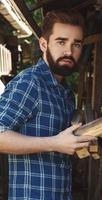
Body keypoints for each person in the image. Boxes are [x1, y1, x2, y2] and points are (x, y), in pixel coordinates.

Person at [0, 10, 94, 200]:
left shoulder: (65, 93)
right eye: (61, 42)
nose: (69, 51)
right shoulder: (30, 83)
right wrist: (54, 143)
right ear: (43, 44)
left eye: (76, 44)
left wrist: (100, 136)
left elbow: (65, 145)